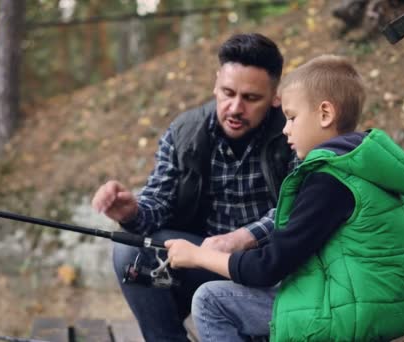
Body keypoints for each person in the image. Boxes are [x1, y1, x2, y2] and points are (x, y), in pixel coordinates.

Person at [165, 54, 404, 341]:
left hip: (340, 312)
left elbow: (266, 267)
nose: (285, 129)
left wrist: (198, 255)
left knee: (210, 300)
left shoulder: (330, 181)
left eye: (292, 117)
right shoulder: (360, 166)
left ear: (325, 114)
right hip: (361, 305)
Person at [91, 33, 295, 341]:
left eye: (251, 98)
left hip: (271, 267)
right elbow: (157, 205)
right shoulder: (184, 132)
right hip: (204, 260)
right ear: (215, 83)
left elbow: (301, 206)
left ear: (275, 96)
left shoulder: (294, 131)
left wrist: (243, 238)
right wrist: (131, 211)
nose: (235, 108)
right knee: (128, 247)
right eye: (227, 93)